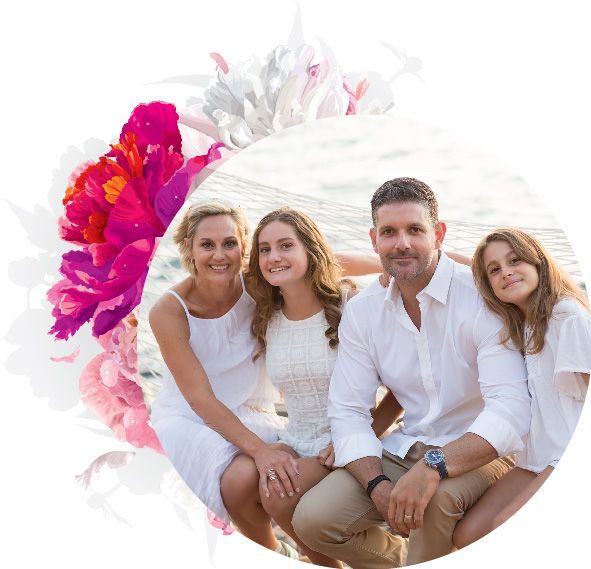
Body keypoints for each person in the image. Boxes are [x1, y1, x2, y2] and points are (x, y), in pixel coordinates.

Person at [291, 177, 532, 568]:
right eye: (389, 232)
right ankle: (401, 561)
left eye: (415, 230)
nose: (401, 243)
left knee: (433, 503)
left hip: (488, 445)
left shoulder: (481, 298)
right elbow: (347, 411)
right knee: (314, 520)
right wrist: (376, 485)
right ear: (374, 239)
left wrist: (435, 466)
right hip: (409, 443)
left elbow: (509, 410)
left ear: (438, 233)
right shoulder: (363, 311)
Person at [246, 207, 401, 567]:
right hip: (298, 437)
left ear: (310, 251)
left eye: (286, 245)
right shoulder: (266, 316)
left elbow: (401, 392)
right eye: (264, 249)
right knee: (268, 484)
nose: (274, 257)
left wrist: (360, 437)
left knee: (280, 495)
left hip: (350, 440)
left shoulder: (351, 305)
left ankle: (393, 559)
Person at [149, 202, 299, 557]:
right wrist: (260, 452)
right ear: (188, 248)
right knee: (243, 478)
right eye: (207, 245)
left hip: (250, 409)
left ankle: (286, 551)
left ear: (244, 245)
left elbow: (322, 261)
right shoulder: (169, 311)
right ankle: (276, 553)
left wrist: (399, 265)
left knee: (268, 475)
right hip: (189, 419)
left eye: (229, 243)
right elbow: (200, 399)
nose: (220, 255)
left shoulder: (257, 283)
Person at [452, 228, 590, 548]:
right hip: (534, 457)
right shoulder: (522, 326)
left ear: (538, 262)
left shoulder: (567, 317)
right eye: (495, 269)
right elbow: (476, 272)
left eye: (515, 261)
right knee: (466, 535)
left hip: (566, 455)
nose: (507, 272)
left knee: (506, 526)